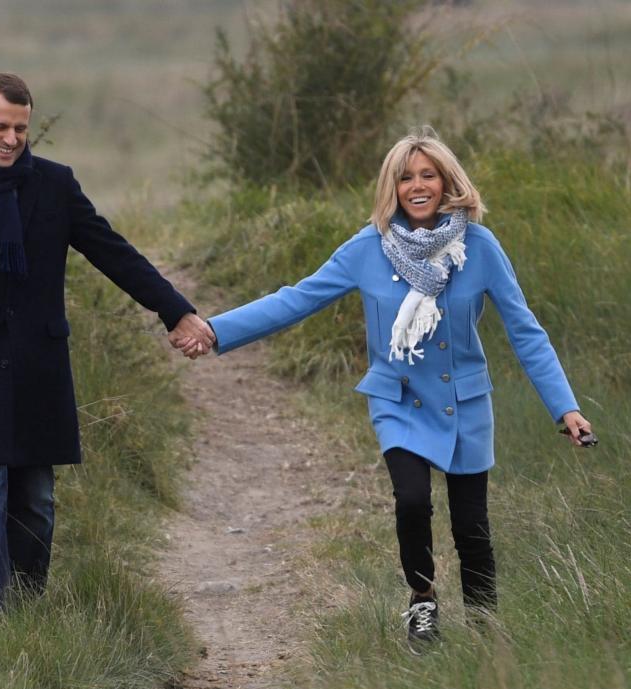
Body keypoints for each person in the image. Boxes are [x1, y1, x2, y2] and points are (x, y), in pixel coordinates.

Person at [188, 127, 593, 651]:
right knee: (411, 499)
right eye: (406, 178)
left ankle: (485, 630)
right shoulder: (367, 248)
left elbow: (525, 330)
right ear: (392, 188)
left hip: (464, 401)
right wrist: (217, 330)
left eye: (428, 175)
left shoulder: (480, 247)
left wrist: (566, 408)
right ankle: (422, 600)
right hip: (398, 398)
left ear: (448, 183)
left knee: (472, 527)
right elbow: (296, 299)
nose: (417, 186)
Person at [0, 73, 213, 613]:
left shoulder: (54, 185)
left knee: (35, 500)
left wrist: (175, 310)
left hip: (38, 368)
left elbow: (114, 252)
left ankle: (26, 608)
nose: (10, 139)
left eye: (19, 127)